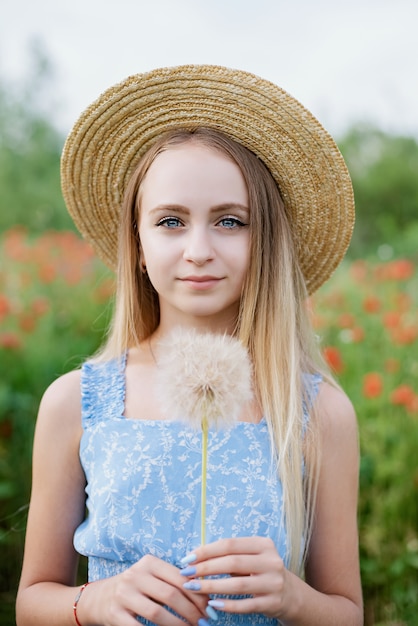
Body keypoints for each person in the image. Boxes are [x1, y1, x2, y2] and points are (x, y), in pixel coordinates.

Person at [16, 65, 363, 626]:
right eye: (171, 221)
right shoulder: (77, 402)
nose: (199, 249)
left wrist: (294, 598)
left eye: (230, 221)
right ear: (137, 242)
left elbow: (347, 612)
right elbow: (32, 601)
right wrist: (93, 601)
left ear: (265, 242)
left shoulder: (316, 412)